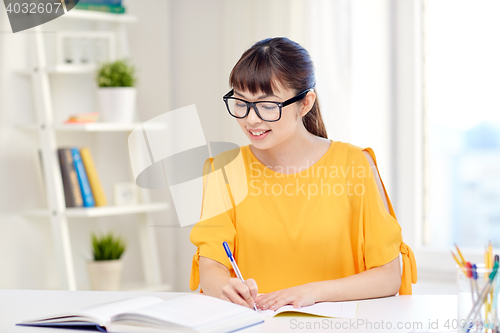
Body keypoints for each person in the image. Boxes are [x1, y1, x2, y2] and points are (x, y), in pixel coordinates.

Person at [189, 37, 417, 311]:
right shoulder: (223, 171)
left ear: (305, 103)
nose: (251, 119)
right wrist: (225, 286)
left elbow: (388, 276)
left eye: (267, 106)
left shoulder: (355, 164)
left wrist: (310, 292)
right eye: (241, 102)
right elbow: (212, 265)